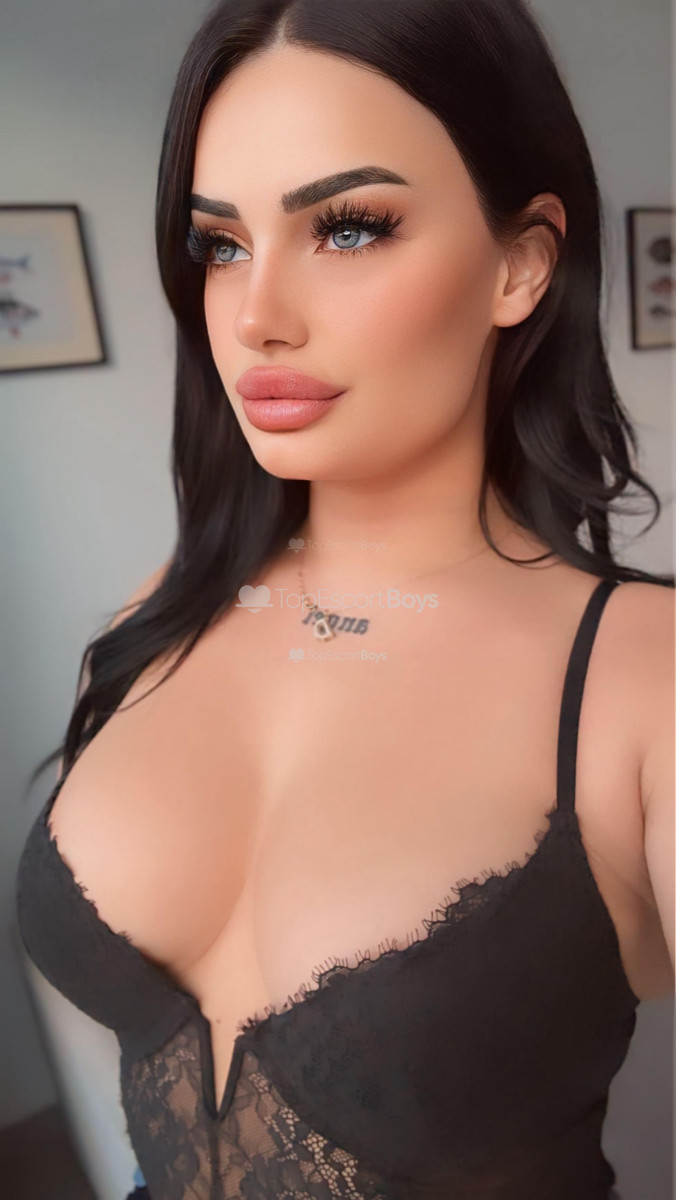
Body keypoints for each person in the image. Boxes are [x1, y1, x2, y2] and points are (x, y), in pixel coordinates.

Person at [15, 1, 674, 1197]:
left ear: (520, 264)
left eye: (349, 227)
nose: (254, 315)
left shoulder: (646, 679)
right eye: (221, 243)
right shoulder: (158, 615)